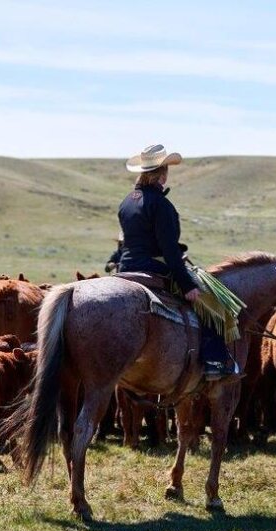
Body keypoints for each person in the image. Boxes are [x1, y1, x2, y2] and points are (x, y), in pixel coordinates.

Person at [118, 144, 239, 380]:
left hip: (125, 268)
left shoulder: (127, 202)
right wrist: (187, 285)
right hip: (154, 268)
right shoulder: (161, 205)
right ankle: (214, 362)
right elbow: (170, 252)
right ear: (162, 173)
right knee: (212, 302)